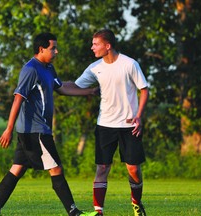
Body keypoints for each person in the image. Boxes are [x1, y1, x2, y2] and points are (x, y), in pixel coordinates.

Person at [0, 33, 99, 216]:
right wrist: (8, 129)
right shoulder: (31, 69)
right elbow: (18, 99)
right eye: (53, 48)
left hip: (33, 131)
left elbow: (61, 88)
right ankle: (74, 212)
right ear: (41, 49)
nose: (56, 51)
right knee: (56, 168)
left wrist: (89, 91)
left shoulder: (49, 68)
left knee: (17, 169)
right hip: (35, 131)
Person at [67, 29, 149, 216]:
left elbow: (144, 90)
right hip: (105, 125)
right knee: (102, 168)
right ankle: (99, 211)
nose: (92, 47)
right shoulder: (94, 67)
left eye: (95, 44)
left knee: (133, 169)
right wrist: (53, 84)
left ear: (108, 45)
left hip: (129, 125)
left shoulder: (130, 64)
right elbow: (76, 86)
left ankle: (136, 202)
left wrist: (139, 116)